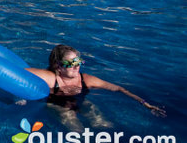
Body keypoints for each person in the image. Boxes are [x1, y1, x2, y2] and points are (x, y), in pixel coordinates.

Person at [26, 44, 165, 116]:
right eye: (70, 64)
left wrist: (145, 103)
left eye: (78, 61)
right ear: (58, 66)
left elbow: (119, 89)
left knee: (104, 125)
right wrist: (22, 96)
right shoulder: (51, 78)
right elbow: (20, 74)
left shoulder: (87, 79)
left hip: (79, 101)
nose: (76, 66)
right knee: (78, 132)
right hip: (58, 105)